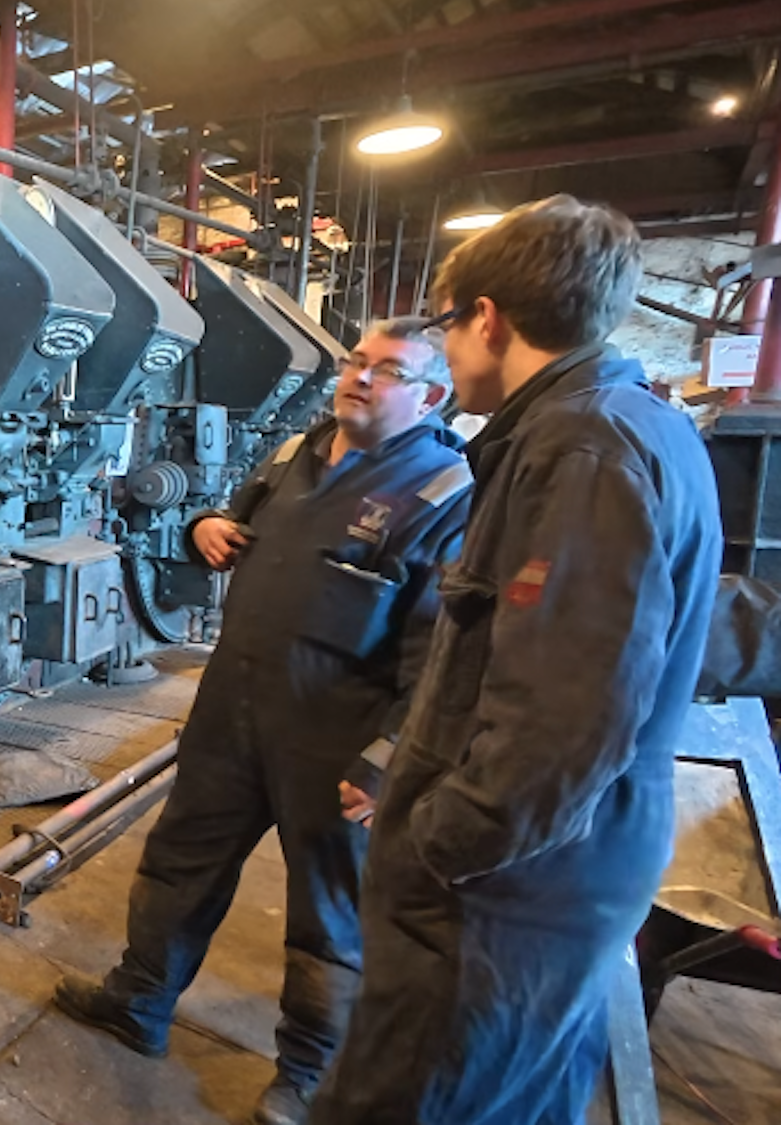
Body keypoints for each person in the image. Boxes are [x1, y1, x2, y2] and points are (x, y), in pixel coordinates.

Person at [309, 196, 722, 1125]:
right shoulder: (627, 425)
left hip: (505, 894)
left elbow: (564, 720)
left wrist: (436, 847)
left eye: (450, 327)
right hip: (550, 873)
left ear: (487, 317)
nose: (449, 353)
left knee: (409, 1101)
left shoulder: (580, 449)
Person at [54, 318, 473, 1125]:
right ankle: (139, 999)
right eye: (356, 360)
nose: (359, 377)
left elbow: (444, 652)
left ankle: (309, 1073)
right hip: (231, 707)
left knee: (331, 908)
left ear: (430, 395)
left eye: (386, 370)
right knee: (181, 858)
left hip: (335, 736)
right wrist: (203, 524)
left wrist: (390, 760)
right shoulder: (299, 451)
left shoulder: (442, 493)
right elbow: (229, 516)